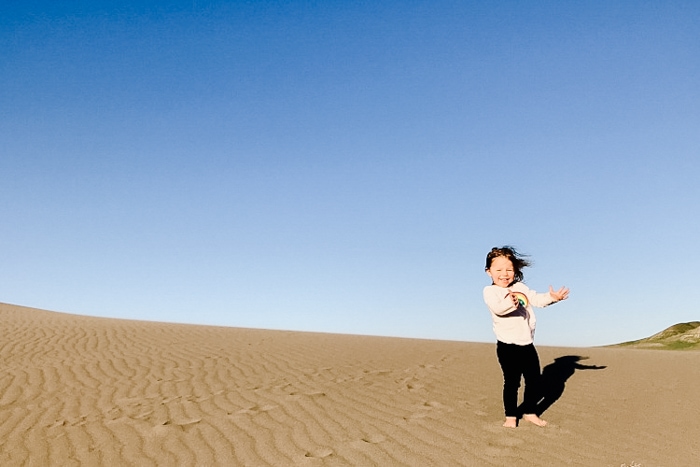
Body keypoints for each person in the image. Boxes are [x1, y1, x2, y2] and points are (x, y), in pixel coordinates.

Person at [483, 246, 569, 428]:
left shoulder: (520, 287)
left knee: (533, 380)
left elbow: (536, 299)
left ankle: (530, 412)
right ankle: (511, 417)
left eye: (509, 269)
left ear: (515, 271)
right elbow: (499, 309)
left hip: (527, 345)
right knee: (512, 382)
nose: (504, 274)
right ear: (489, 272)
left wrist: (552, 297)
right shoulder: (490, 292)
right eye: (498, 270)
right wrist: (511, 301)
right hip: (507, 347)